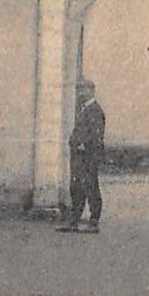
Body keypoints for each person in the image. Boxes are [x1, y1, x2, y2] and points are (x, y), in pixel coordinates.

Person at [58, 79, 106, 234]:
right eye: (79, 90)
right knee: (76, 187)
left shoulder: (96, 111)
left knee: (91, 186)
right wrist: (73, 142)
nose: (80, 93)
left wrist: (85, 145)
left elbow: (96, 135)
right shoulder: (82, 109)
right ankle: (74, 220)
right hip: (78, 155)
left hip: (89, 156)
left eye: (83, 90)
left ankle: (94, 222)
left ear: (92, 91)